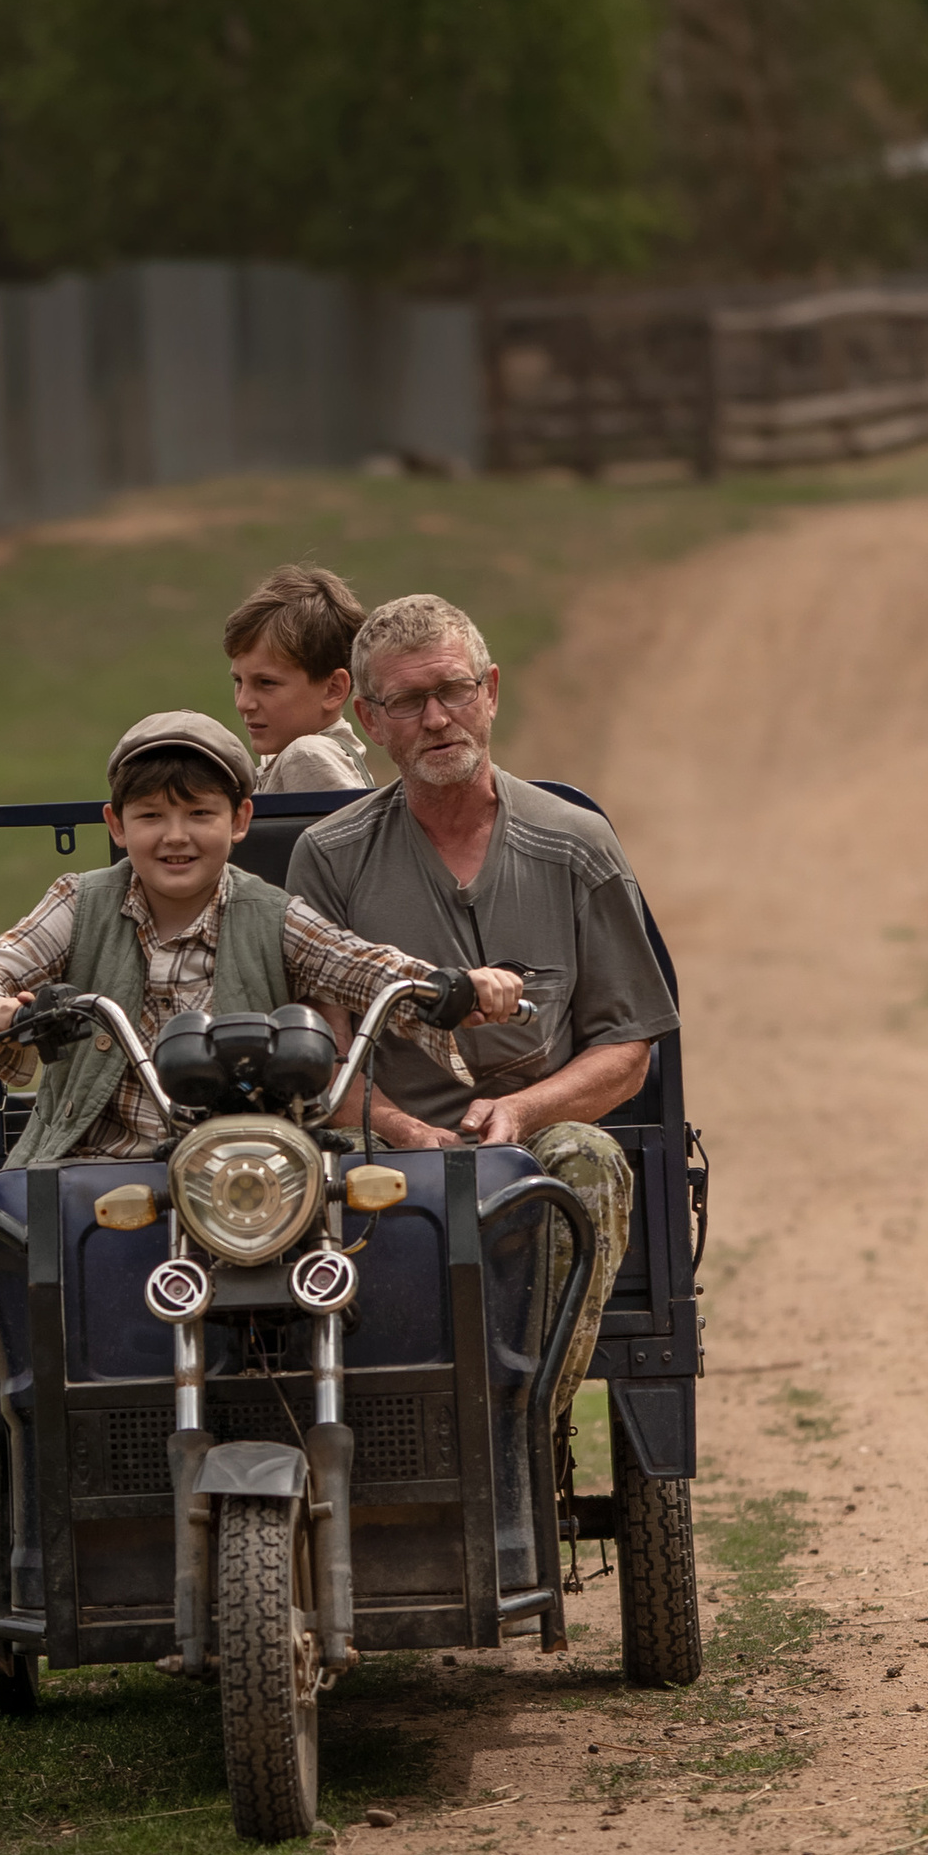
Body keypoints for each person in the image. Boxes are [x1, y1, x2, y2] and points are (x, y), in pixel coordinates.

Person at [282, 593, 678, 1430]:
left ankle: (520, 1431)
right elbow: (324, 1060)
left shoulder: (577, 843)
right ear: (369, 719)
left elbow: (630, 1045)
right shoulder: (330, 857)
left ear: (490, 691)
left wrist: (524, 1109)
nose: (436, 719)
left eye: (453, 691)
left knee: (588, 1163)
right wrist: (404, 1131)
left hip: (533, 1139)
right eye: (406, 703)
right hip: (378, 1153)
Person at [0, 707, 519, 1163]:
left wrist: (451, 987)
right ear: (117, 826)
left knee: (361, 1216)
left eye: (199, 814)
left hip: (248, 1172)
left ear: (240, 819)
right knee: (16, 1227)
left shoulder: (271, 914)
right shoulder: (82, 901)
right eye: (150, 817)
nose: (176, 837)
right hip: (96, 1169)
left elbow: (357, 965)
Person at [224, 561, 372, 794]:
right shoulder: (289, 757)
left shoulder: (306, 757)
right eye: (238, 681)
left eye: (266, 683)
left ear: (333, 689)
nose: (244, 703)